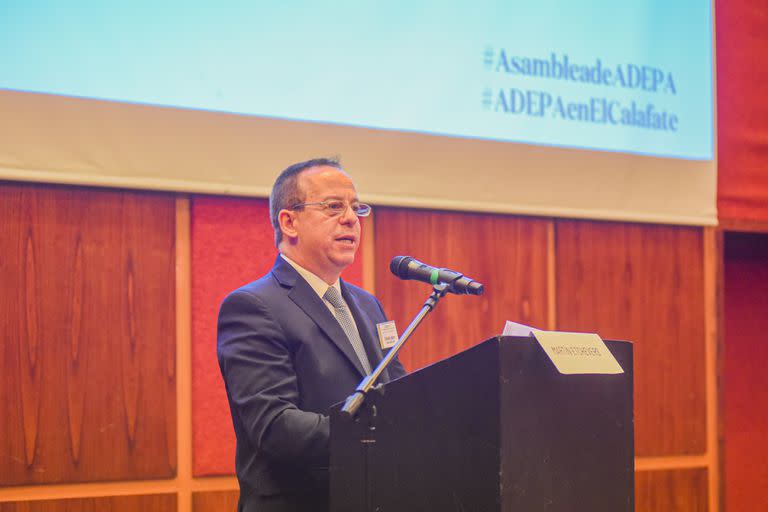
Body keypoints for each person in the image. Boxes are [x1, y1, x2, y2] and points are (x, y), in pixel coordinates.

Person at [217, 158, 407, 512]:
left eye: (356, 207)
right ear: (289, 222)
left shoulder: (368, 305)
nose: (351, 218)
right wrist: (375, 432)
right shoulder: (252, 306)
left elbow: (397, 391)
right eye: (334, 206)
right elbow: (275, 426)